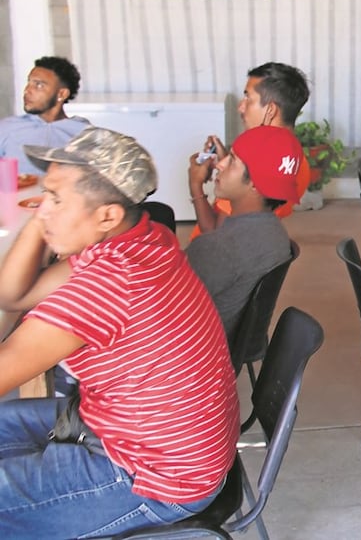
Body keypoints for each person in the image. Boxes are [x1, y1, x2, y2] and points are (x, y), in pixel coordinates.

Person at [0, 127, 238, 538]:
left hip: (154, 476)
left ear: (107, 216)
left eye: (56, 199)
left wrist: (47, 219)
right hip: (137, 433)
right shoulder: (144, 237)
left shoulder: (109, 284)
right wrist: (47, 217)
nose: (43, 209)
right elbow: (13, 296)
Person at [185, 125, 299, 339]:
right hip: (235, 344)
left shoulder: (217, 248)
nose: (219, 164)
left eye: (232, 161)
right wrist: (198, 185)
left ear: (255, 184)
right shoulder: (275, 233)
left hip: (199, 346)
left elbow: (165, 303)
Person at [189, 61, 310, 237]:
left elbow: (216, 232)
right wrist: (229, 161)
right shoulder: (295, 161)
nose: (240, 106)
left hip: (213, 250)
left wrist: (195, 185)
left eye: (248, 98)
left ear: (270, 110)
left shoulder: (259, 161)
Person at [0, 56, 89, 174]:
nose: (27, 90)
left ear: (62, 94)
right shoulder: (7, 128)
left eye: (39, 85)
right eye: (29, 83)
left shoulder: (84, 133)